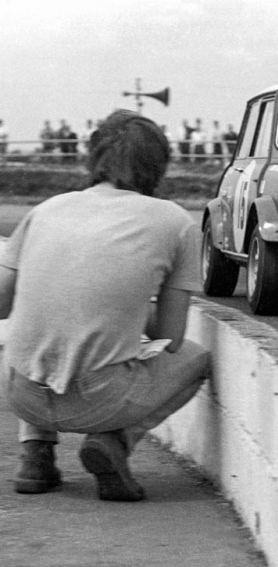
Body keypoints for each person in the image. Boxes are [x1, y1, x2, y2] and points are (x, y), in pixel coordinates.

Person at [0, 109, 210, 502]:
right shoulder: (176, 222)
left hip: (20, 393)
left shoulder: (44, 210)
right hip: (99, 401)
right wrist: (125, 311)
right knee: (197, 359)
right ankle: (115, 443)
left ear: (93, 158)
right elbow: (171, 336)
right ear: (157, 167)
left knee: (40, 337)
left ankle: (35, 455)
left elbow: (0, 304)